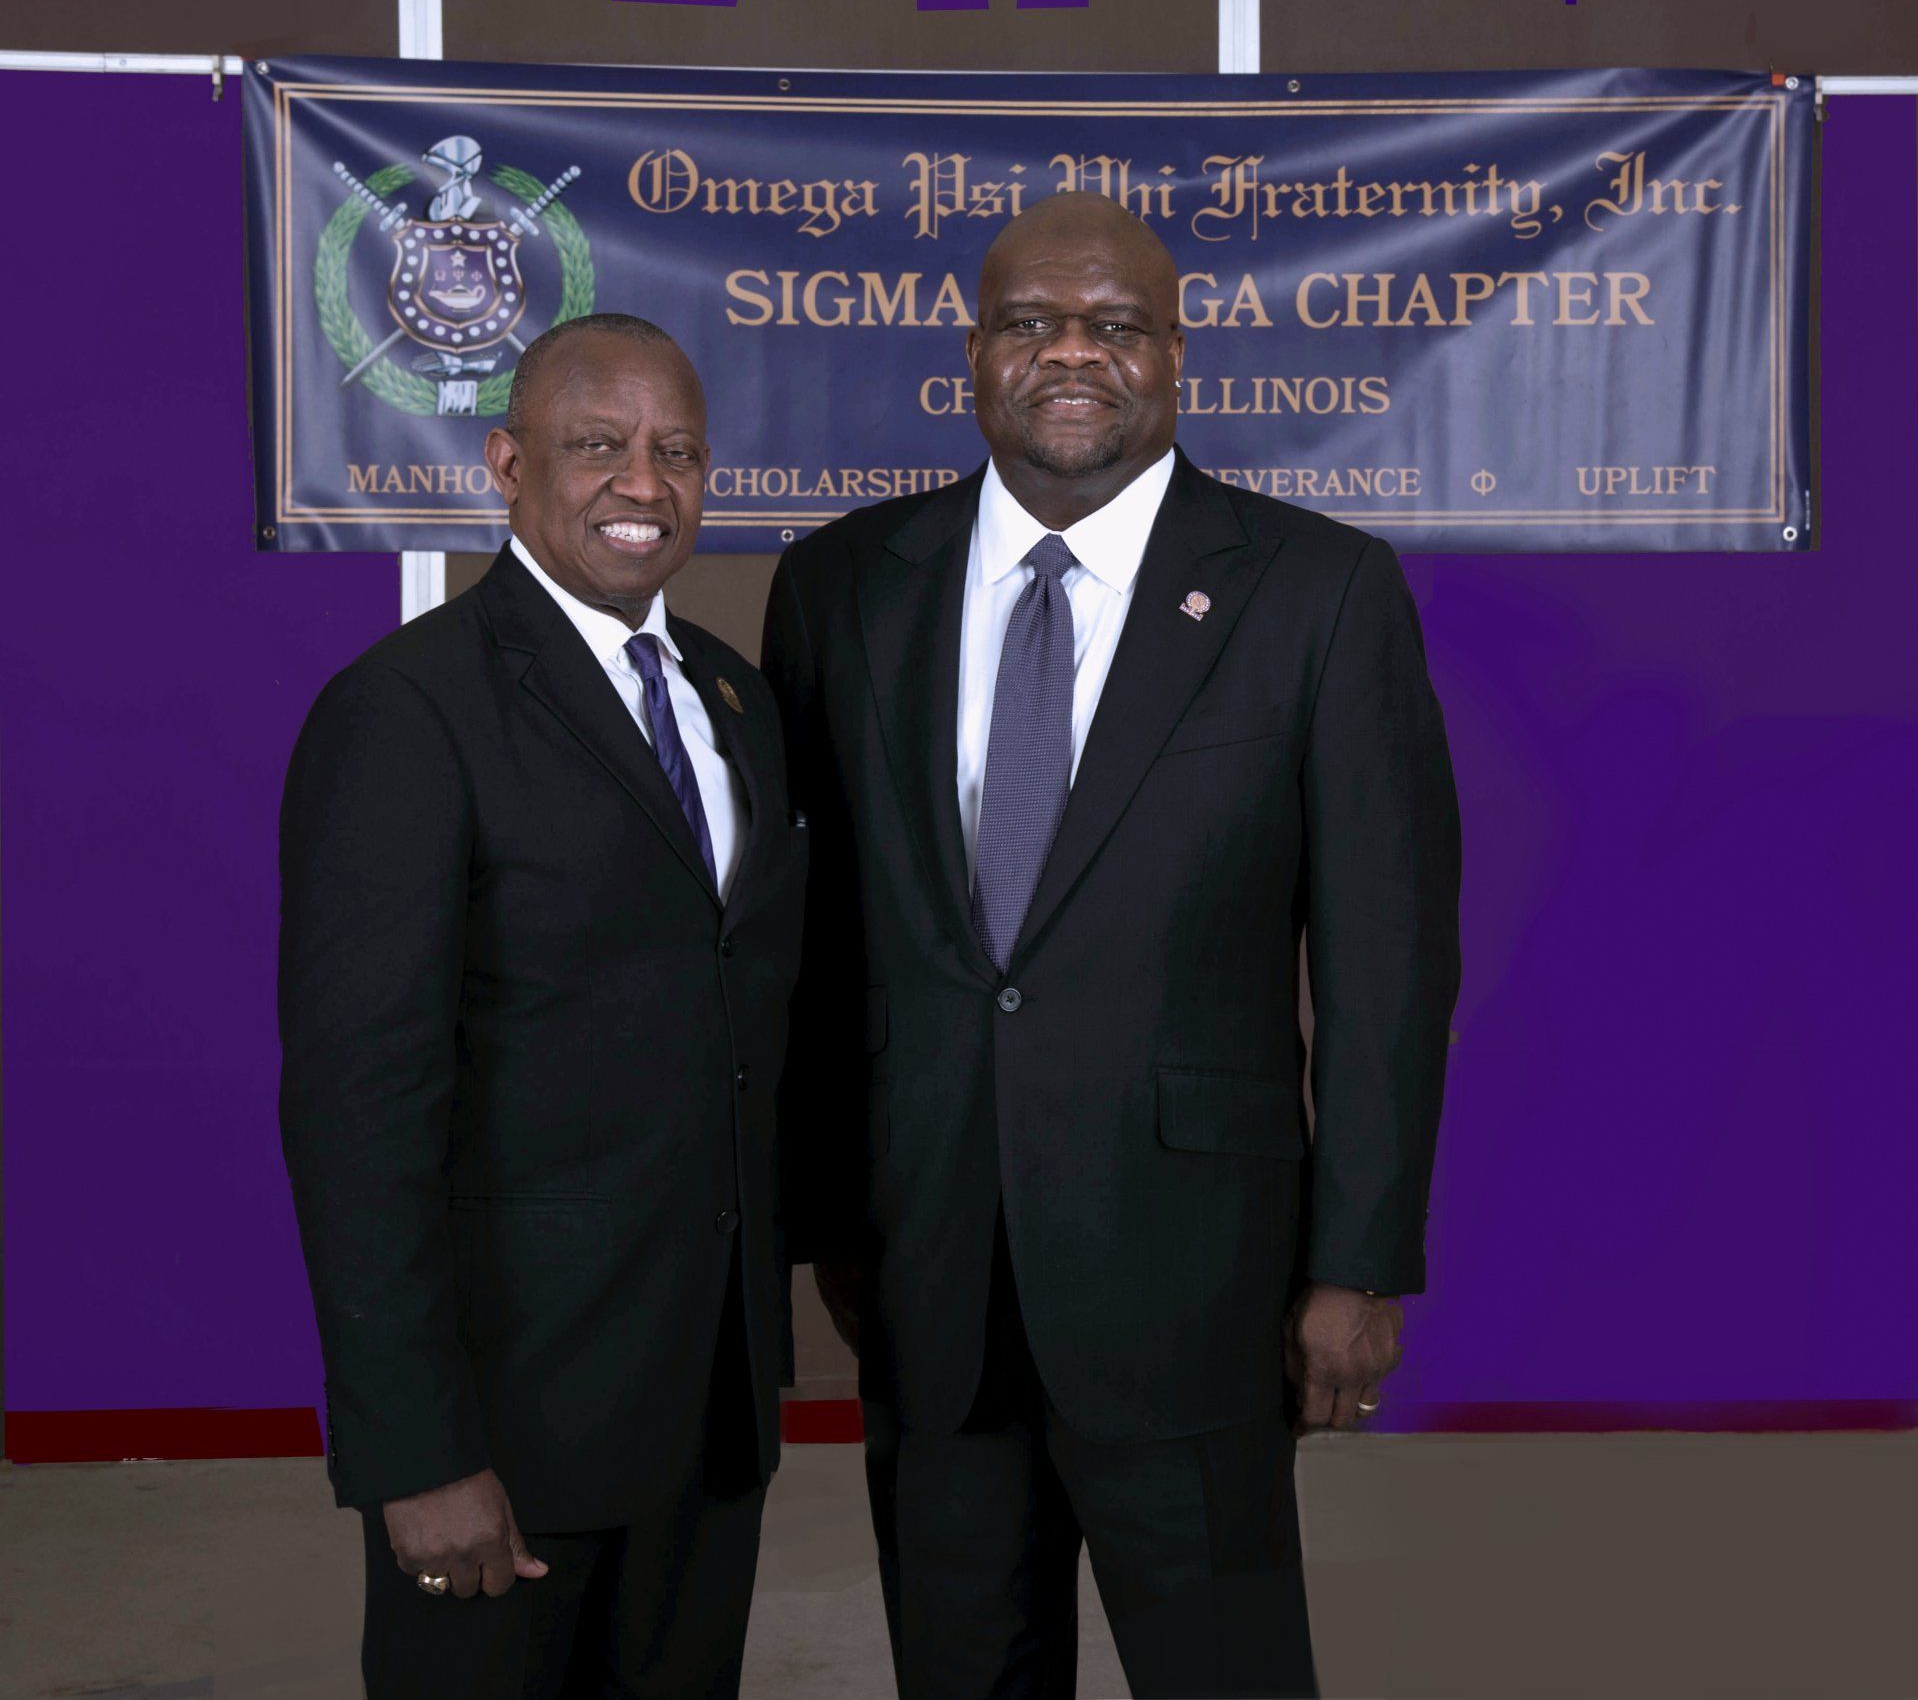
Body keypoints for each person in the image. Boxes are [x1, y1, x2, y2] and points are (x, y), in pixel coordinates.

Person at [762, 194, 1461, 1699]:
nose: (1072, 353)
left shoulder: (1319, 592)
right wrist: (825, 1212)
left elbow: (1390, 959)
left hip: (1197, 1280)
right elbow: (815, 944)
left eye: (1116, 325)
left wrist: (1360, 1257)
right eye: (1030, 323)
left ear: (1176, 357)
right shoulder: (838, 588)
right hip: (927, 1274)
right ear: (973, 355)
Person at [279, 313, 807, 1699]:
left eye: (677, 451)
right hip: (506, 1437)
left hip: (705, 1414)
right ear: (508, 462)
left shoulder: (737, 702)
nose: (644, 482)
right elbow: (357, 1109)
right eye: (598, 446)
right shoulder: (407, 712)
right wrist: (417, 1451)